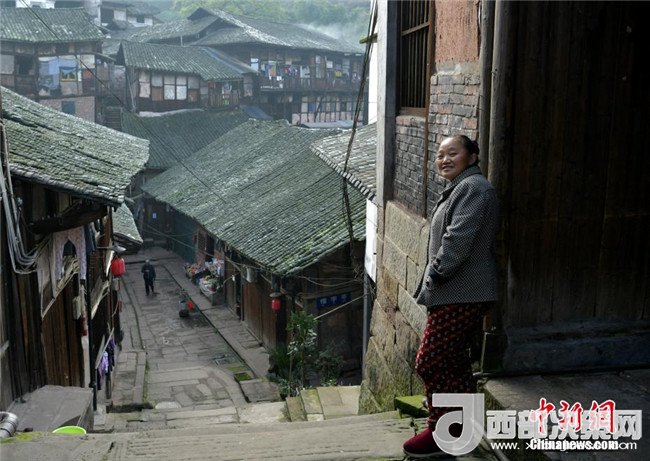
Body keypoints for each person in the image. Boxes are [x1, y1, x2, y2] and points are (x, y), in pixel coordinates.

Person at [403, 135, 499, 458]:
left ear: (472, 156)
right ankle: (459, 428)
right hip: (456, 291)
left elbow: (457, 240)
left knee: (430, 360)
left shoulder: (474, 189)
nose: (444, 159)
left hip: (461, 291)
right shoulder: (463, 187)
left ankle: (442, 431)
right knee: (454, 361)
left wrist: (436, 274)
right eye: (440, 155)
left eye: (452, 153)